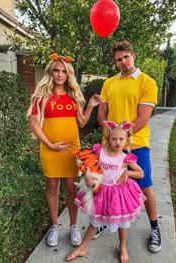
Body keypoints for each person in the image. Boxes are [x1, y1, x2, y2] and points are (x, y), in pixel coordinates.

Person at [26, 53, 101, 247]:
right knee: (52, 188)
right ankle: (54, 225)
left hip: (70, 150)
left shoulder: (74, 97)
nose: (59, 75)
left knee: (70, 190)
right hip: (50, 150)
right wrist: (49, 144)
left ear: (68, 75)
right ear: (50, 72)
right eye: (56, 71)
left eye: (63, 72)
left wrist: (91, 105)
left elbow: (82, 122)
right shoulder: (41, 96)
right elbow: (34, 123)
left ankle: (74, 227)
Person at [97, 40, 162, 253]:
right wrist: (109, 136)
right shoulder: (109, 83)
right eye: (118, 59)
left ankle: (154, 227)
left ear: (133, 55)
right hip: (111, 145)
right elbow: (102, 113)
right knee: (108, 185)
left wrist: (122, 137)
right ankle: (105, 220)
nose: (123, 62)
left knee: (145, 186)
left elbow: (143, 117)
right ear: (115, 62)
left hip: (136, 145)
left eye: (126, 57)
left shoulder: (147, 82)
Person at [65, 120, 146, 263]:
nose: (117, 142)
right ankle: (82, 248)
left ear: (126, 140)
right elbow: (89, 166)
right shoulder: (99, 152)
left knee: (122, 222)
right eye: (114, 139)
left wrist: (127, 174)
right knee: (95, 222)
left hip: (118, 195)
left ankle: (122, 247)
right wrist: (87, 176)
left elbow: (141, 173)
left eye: (121, 139)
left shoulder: (125, 158)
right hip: (101, 193)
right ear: (108, 138)